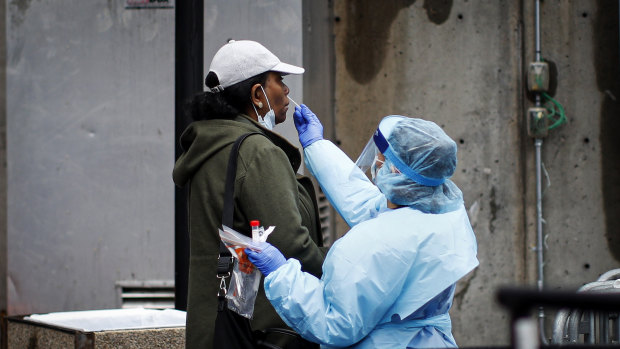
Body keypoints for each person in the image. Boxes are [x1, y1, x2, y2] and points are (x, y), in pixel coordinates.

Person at [246, 107, 479, 348]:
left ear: (396, 171)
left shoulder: (379, 242)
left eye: (381, 157)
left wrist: (281, 274)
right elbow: (367, 204)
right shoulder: (444, 211)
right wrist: (317, 146)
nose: (376, 162)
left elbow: (334, 323)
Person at [172, 40, 325, 348]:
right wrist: (339, 272)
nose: (287, 91)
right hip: (261, 333)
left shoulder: (213, 145)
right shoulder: (257, 152)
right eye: (279, 81)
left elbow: (240, 236)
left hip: (218, 327)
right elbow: (290, 242)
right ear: (258, 94)